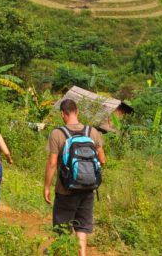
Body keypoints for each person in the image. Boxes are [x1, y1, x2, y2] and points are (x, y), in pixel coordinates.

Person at [44, 99, 106, 256]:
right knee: (82, 228)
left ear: (62, 114)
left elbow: (52, 163)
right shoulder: (92, 132)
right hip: (88, 189)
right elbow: (103, 160)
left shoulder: (57, 134)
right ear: (77, 112)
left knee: (62, 229)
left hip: (65, 190)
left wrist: (46, 187)